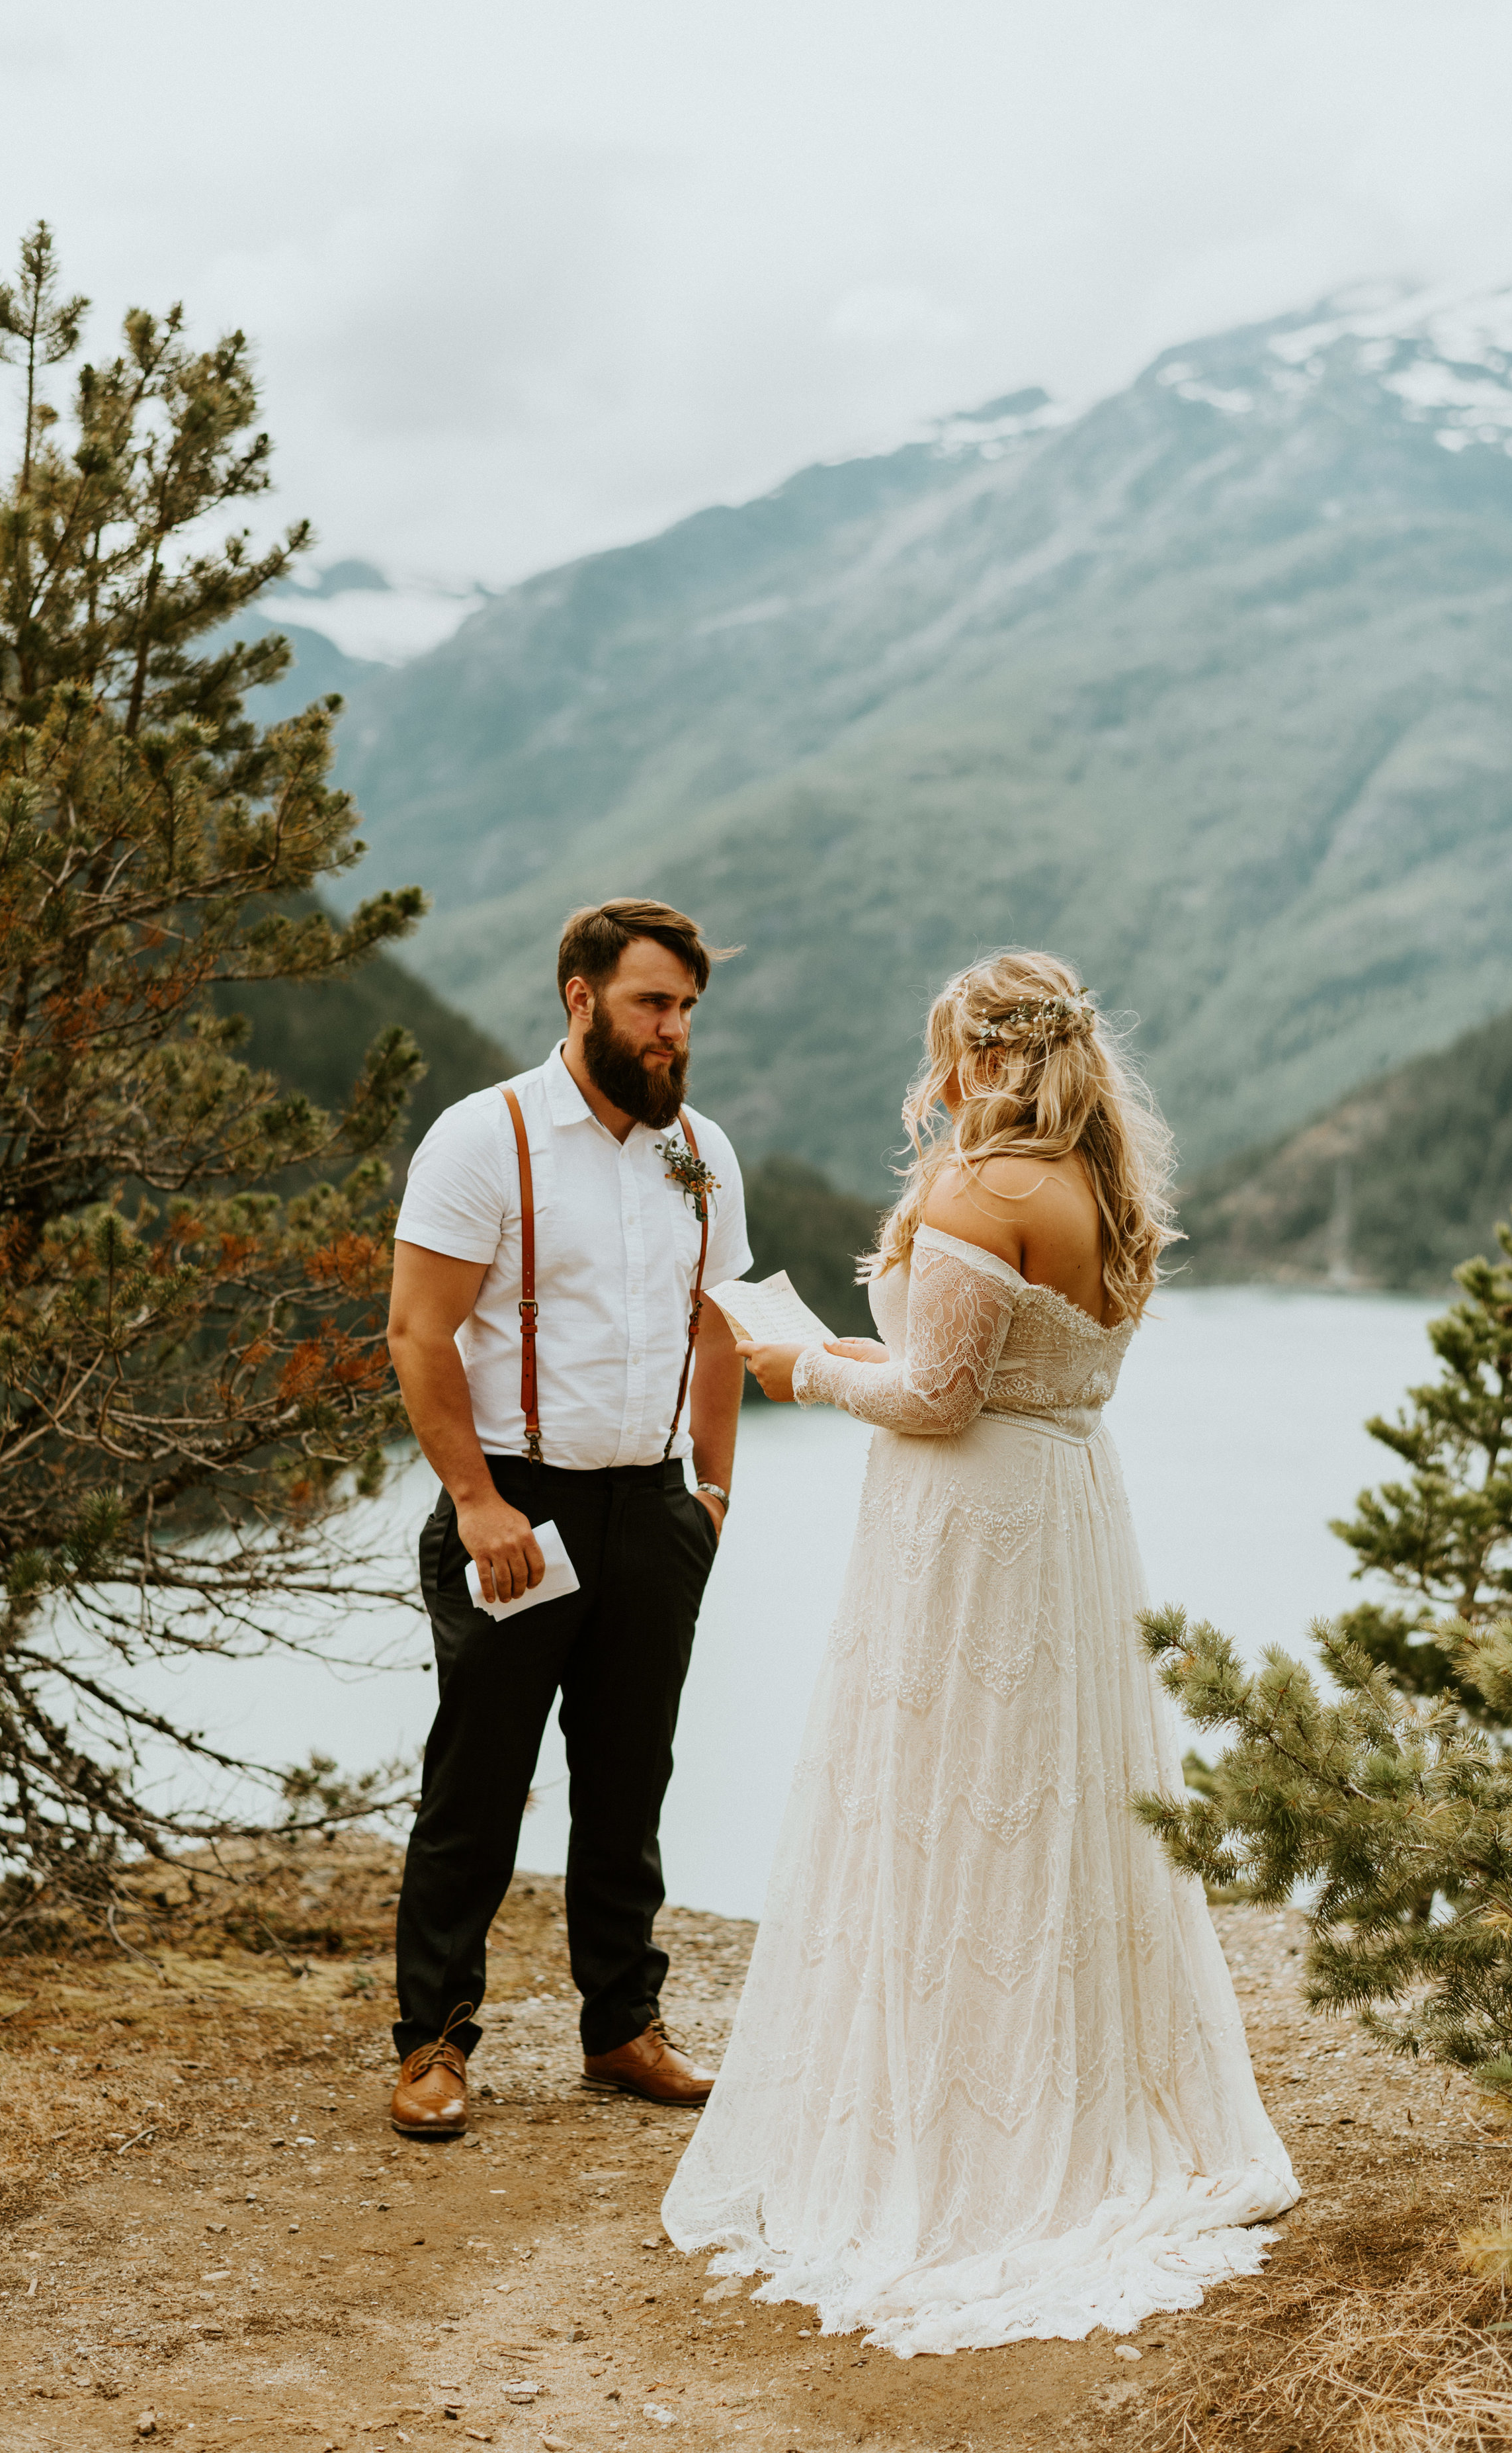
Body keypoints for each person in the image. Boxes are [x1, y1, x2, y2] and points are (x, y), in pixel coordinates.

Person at [662, 951, 1298, 2352]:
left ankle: (961, 2126)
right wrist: (853, 1351)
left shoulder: (976, 1187)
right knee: (1048, 1805)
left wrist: (797, 1367)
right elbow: (999, 1370)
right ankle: (1069, 2083)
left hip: (968, 1534)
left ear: (985, 1058)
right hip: (1064, 1511)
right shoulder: (1094, 1183)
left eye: (948, 1051)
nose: (937, 1078)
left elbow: (938, 1399)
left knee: (952, 1802)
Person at [384, 897, 751, 2138]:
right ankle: (433, 2042)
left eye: (688, 1009)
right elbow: (417, 1332)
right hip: (517, 1501)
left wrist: (711, 1491)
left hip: (652, 1508)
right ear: (581, 997)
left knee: (629, 1778)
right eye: (655, 1003)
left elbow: (721, 1322)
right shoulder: (483, 1139)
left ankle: (621, 2028)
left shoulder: (701, 1147)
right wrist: (477, 1500)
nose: (675, 1032)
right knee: (479, 1782)